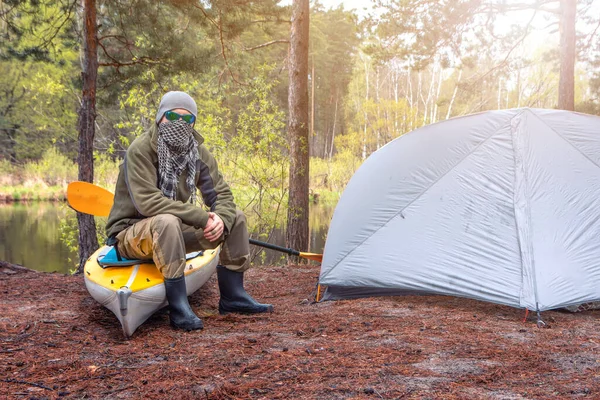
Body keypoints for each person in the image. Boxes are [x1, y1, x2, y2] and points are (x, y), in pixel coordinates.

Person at [105, 91, 273, 331]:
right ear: (160, 116)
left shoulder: (198, 152)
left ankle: (233, 297)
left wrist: (221, 220)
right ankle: (178, 306)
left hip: (171, 232)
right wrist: (203, 217)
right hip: (131, 234)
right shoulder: (140, 150)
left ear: (194, 123)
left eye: (187, 119)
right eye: (172, 116)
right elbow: (148, 204)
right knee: (166, 221)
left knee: (235, 216)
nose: (179, 123)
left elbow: (222, 195)